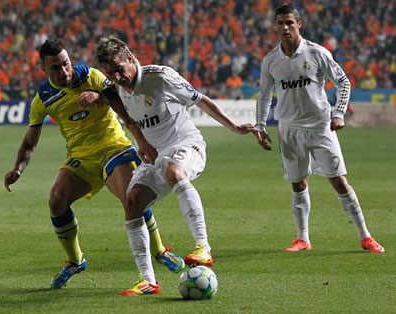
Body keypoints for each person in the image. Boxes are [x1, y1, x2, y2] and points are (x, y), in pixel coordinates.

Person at [3, 39, 185, 290]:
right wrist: (17, 169)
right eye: (55, 67)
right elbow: (30, 142)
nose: (64, 71)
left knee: (131, 196)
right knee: (56, 200)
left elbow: (123, 104)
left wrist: (101, 97)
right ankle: (75, 260)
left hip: (114, 147)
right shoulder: (43, 99)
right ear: (44, 70)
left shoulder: (92, 76)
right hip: (81, 158)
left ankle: (159, 251)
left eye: (65, 63)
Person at [96, 36, 261, 296]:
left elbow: (200, 99)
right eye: (111, 72)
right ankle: (148, 280)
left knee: (174, 170)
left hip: (186, 144)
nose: (117, 76)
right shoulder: (119, 89)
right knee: (132, 201)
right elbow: (130, 120)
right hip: (155, 155)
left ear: (130, 57)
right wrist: (141, 142)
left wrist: (234, 126)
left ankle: (203, 247)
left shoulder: (160, 77)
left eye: (119, 68)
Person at [255, 4, 384, 253]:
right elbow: (264, 96)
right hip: (289, 130)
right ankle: (302, 238)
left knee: (338, 180)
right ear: (275, 26)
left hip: (320, 127)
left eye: (289, 23)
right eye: (280, 23)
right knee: (298, 183)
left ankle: (365, 236)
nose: (285, 27)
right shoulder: (271, 60)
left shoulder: (316, 53)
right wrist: (260, 127)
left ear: (299, 24)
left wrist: (338, 113)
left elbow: (343, 82)